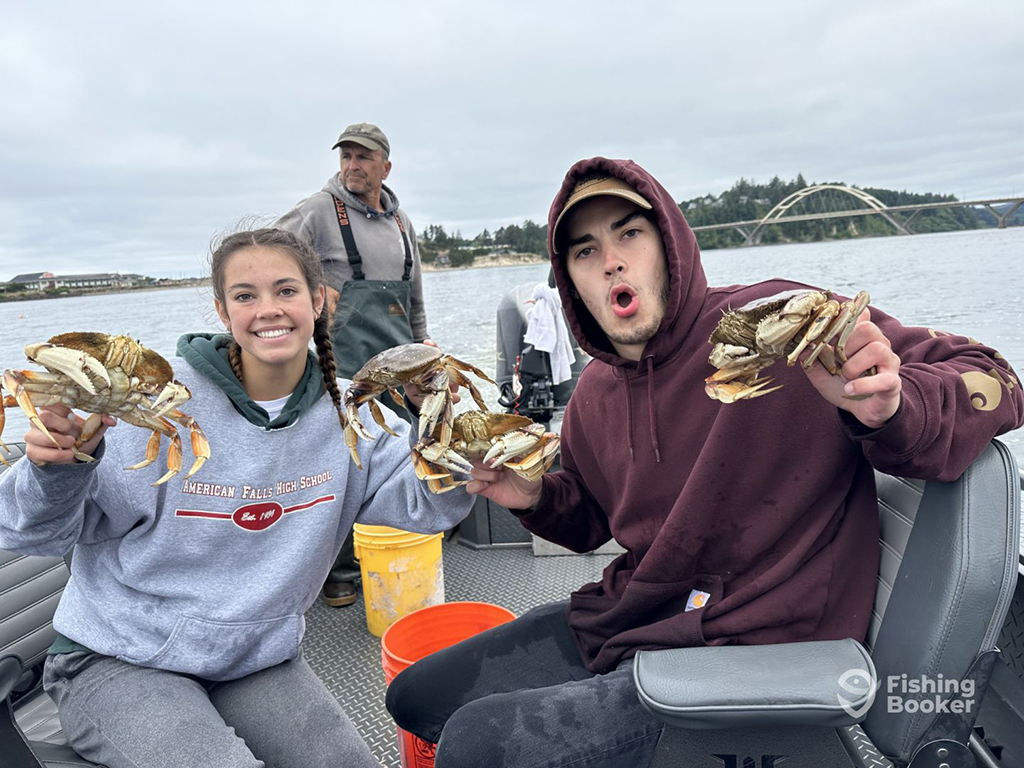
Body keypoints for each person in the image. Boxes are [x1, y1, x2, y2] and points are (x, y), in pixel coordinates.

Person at [384, 157, 1024, 767]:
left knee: (476, 745)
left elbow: (995, 376)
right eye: (584, 251)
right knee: (414, 697)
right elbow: (588, 521)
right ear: (570, 281)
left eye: (628, 233)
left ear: (667, 243)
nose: (611, 263)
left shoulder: (778, 321)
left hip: (766, 642)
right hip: (644, 616)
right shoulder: (595, 395)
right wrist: (530, 496)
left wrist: (890, 406)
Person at [0, 228, 474, 768]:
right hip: (117, 657)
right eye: (246, 295)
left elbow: (428, 507)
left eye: (287, 290)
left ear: (318, 300)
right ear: (223, 312)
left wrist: (440, 421)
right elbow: (32, 532)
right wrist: (52, 468)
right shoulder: (150, 402)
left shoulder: (354, 414)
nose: (268, 309)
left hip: (252, 659)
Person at [275, 122, 434, 608]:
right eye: (346, 156)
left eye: (364, 157)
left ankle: (401, 543)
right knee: (345, 459)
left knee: (405, 448)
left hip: (398, 362)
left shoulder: (402, 224)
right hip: (338, 364)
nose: (352, 165)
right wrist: (313, 290)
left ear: (386, 166)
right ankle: (338, 572)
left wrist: (424, 344)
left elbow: (414, 296)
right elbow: (269, 254)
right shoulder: (319, 211)